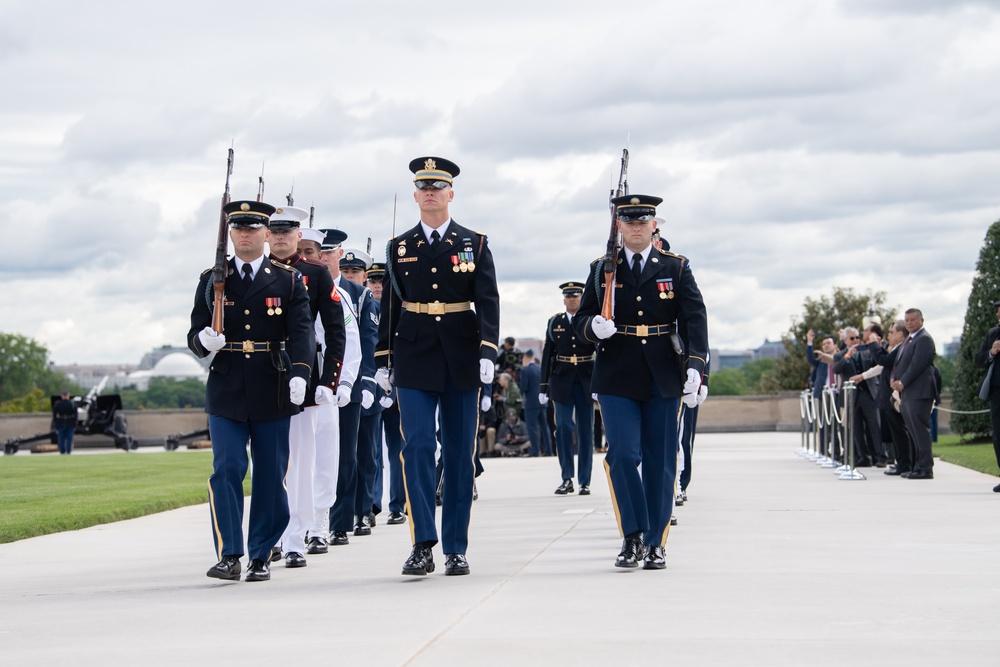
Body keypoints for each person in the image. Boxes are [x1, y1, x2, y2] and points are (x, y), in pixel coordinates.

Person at [375, 156, 500, 577]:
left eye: (438, 186)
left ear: (451, 193)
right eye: (423, 187)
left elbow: (488, 301)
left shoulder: (475, 243)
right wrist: (382, 361)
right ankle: (422, 543)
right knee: (418, 449)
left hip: (462, 356)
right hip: (413, 356)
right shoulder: (399, 248)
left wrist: (487, 352)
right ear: (415, 196)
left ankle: (456, 547)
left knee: (460, 455)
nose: (430, 192)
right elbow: (390, 305)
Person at [574, 194, 708, 570]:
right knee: (623, 455)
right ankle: (631, 535)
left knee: (661, 460)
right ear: (619, 225)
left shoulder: (676, 268)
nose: (635, 226)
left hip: (664, 373)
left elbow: (694, 321)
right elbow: (582, 318)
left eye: (642, 220)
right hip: (617, 371)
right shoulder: (603, 268)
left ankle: (655, 542)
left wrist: (697, 368)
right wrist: (592, 328)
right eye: (628, 220)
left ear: (654, 225)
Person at [188, 199, 315, 583]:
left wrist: (301, 372)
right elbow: (194, 331)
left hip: (271, 383)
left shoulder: (287, 279)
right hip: (226, 383)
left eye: (253, 227)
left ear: (265, 234)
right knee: (225, 469)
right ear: (230, 233)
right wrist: (203, 342)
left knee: (269, 474)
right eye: (238, 227)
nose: (245, 233)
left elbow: (303, 333)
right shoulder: (212, 278)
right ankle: (230, 553)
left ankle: (261, 553)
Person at [267, 205, 347, 569]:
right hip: (262, 374)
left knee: (300, 462)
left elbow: (334, 330)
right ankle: (270, 534)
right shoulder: (255, 271)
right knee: (270, 463)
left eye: (288, 230)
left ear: (299, 235)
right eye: (276, 230)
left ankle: (295, 537)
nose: (281, 236)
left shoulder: (315, 273)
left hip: (304, 372)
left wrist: (329, 380)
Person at [318, 232, 379, 546]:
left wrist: (366, 380)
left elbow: (367, 342)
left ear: (339, 254)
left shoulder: (358, 294)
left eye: (329, 252)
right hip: (314, 382)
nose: (324, 257)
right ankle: (316, 520)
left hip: (349, 384)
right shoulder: (305, 284)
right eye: (319, 251)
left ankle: (341, 522)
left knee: (347, 456)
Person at [540, 280, 596, 495]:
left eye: (576, 295)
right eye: (568, 296)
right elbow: (548, 354)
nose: (572, 299)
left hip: (585, 378)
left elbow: (600, 351)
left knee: (585, 431)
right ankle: (566, 478)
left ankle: (584, 481)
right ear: (564, 300)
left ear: (582, 298)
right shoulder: (555, 322)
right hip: (562, 379)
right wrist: (543, 387)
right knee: (562, 428)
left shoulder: (589, 320)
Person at [890, 308, 936, 480]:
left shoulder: (924, 339)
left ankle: (925, 468)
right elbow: (898, 363)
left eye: (913, 320)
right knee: (912, 431)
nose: (909, 322)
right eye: (907, 320)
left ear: (921, 321)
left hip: (920, 392)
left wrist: (902, 382)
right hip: (907, 392)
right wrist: (894, 379)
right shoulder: (908, 340)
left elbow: (917, 365)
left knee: (920, 430)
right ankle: (917, 466)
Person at [868, 320, 913, 476]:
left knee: (900, 431)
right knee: (895, 432)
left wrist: (874, 345)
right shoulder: (898, 348)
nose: (889, 335)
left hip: (896, 394)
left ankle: (905, 463)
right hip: (889, 394)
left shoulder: (902, 347)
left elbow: (884, 361)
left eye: (892, 332)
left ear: (900, 334)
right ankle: (901, 462)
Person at [974, 299, 1000, 492]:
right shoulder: (992, 333)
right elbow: (979, 360)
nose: (998, 314)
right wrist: (991, 352)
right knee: (998, 435)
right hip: (997, 390)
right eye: (998, 312)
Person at [519, 350, 552, 457]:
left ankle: (535, 450)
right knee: (544, 427)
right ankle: (548, 450)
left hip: (531, 403)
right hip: (542, 401)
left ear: (525, 358)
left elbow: (523, 387)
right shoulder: (540, 368)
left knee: (532, 427)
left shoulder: (525, 371)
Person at [52, 391, 77, 455]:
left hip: (61, 422)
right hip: (70, 422)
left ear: (62, 396)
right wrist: (74, 423)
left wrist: (56, 422)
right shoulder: (72, 404)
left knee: (61, 438)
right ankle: (68, 451)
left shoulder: (58, 404)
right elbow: (75, 415)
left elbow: (54, 415)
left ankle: (62, 451)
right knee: (69, 438)